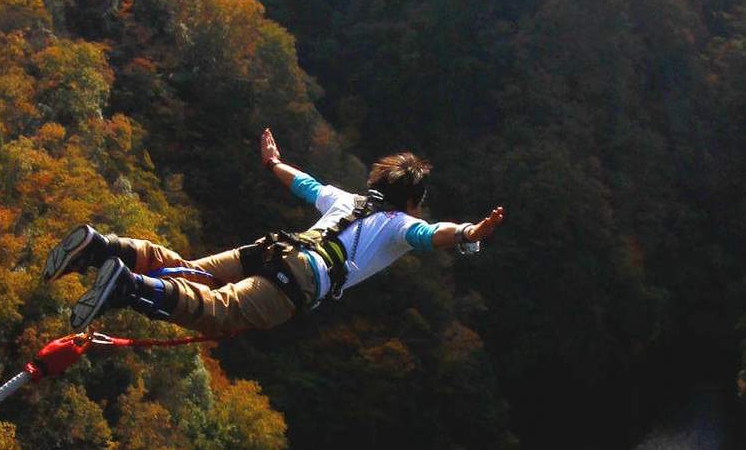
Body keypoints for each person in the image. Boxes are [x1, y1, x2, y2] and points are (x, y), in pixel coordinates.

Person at [45, 128, 505, 334]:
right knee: (216, 309)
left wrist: (273, 163)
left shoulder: (347, 199)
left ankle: (102, 248)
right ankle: (124, 287)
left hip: (273, 250)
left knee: (185, 270)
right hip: (300, 279)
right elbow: (433, 234)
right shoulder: (401, 225)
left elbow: (305, 184)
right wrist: (470, 232)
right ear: (412, 201)